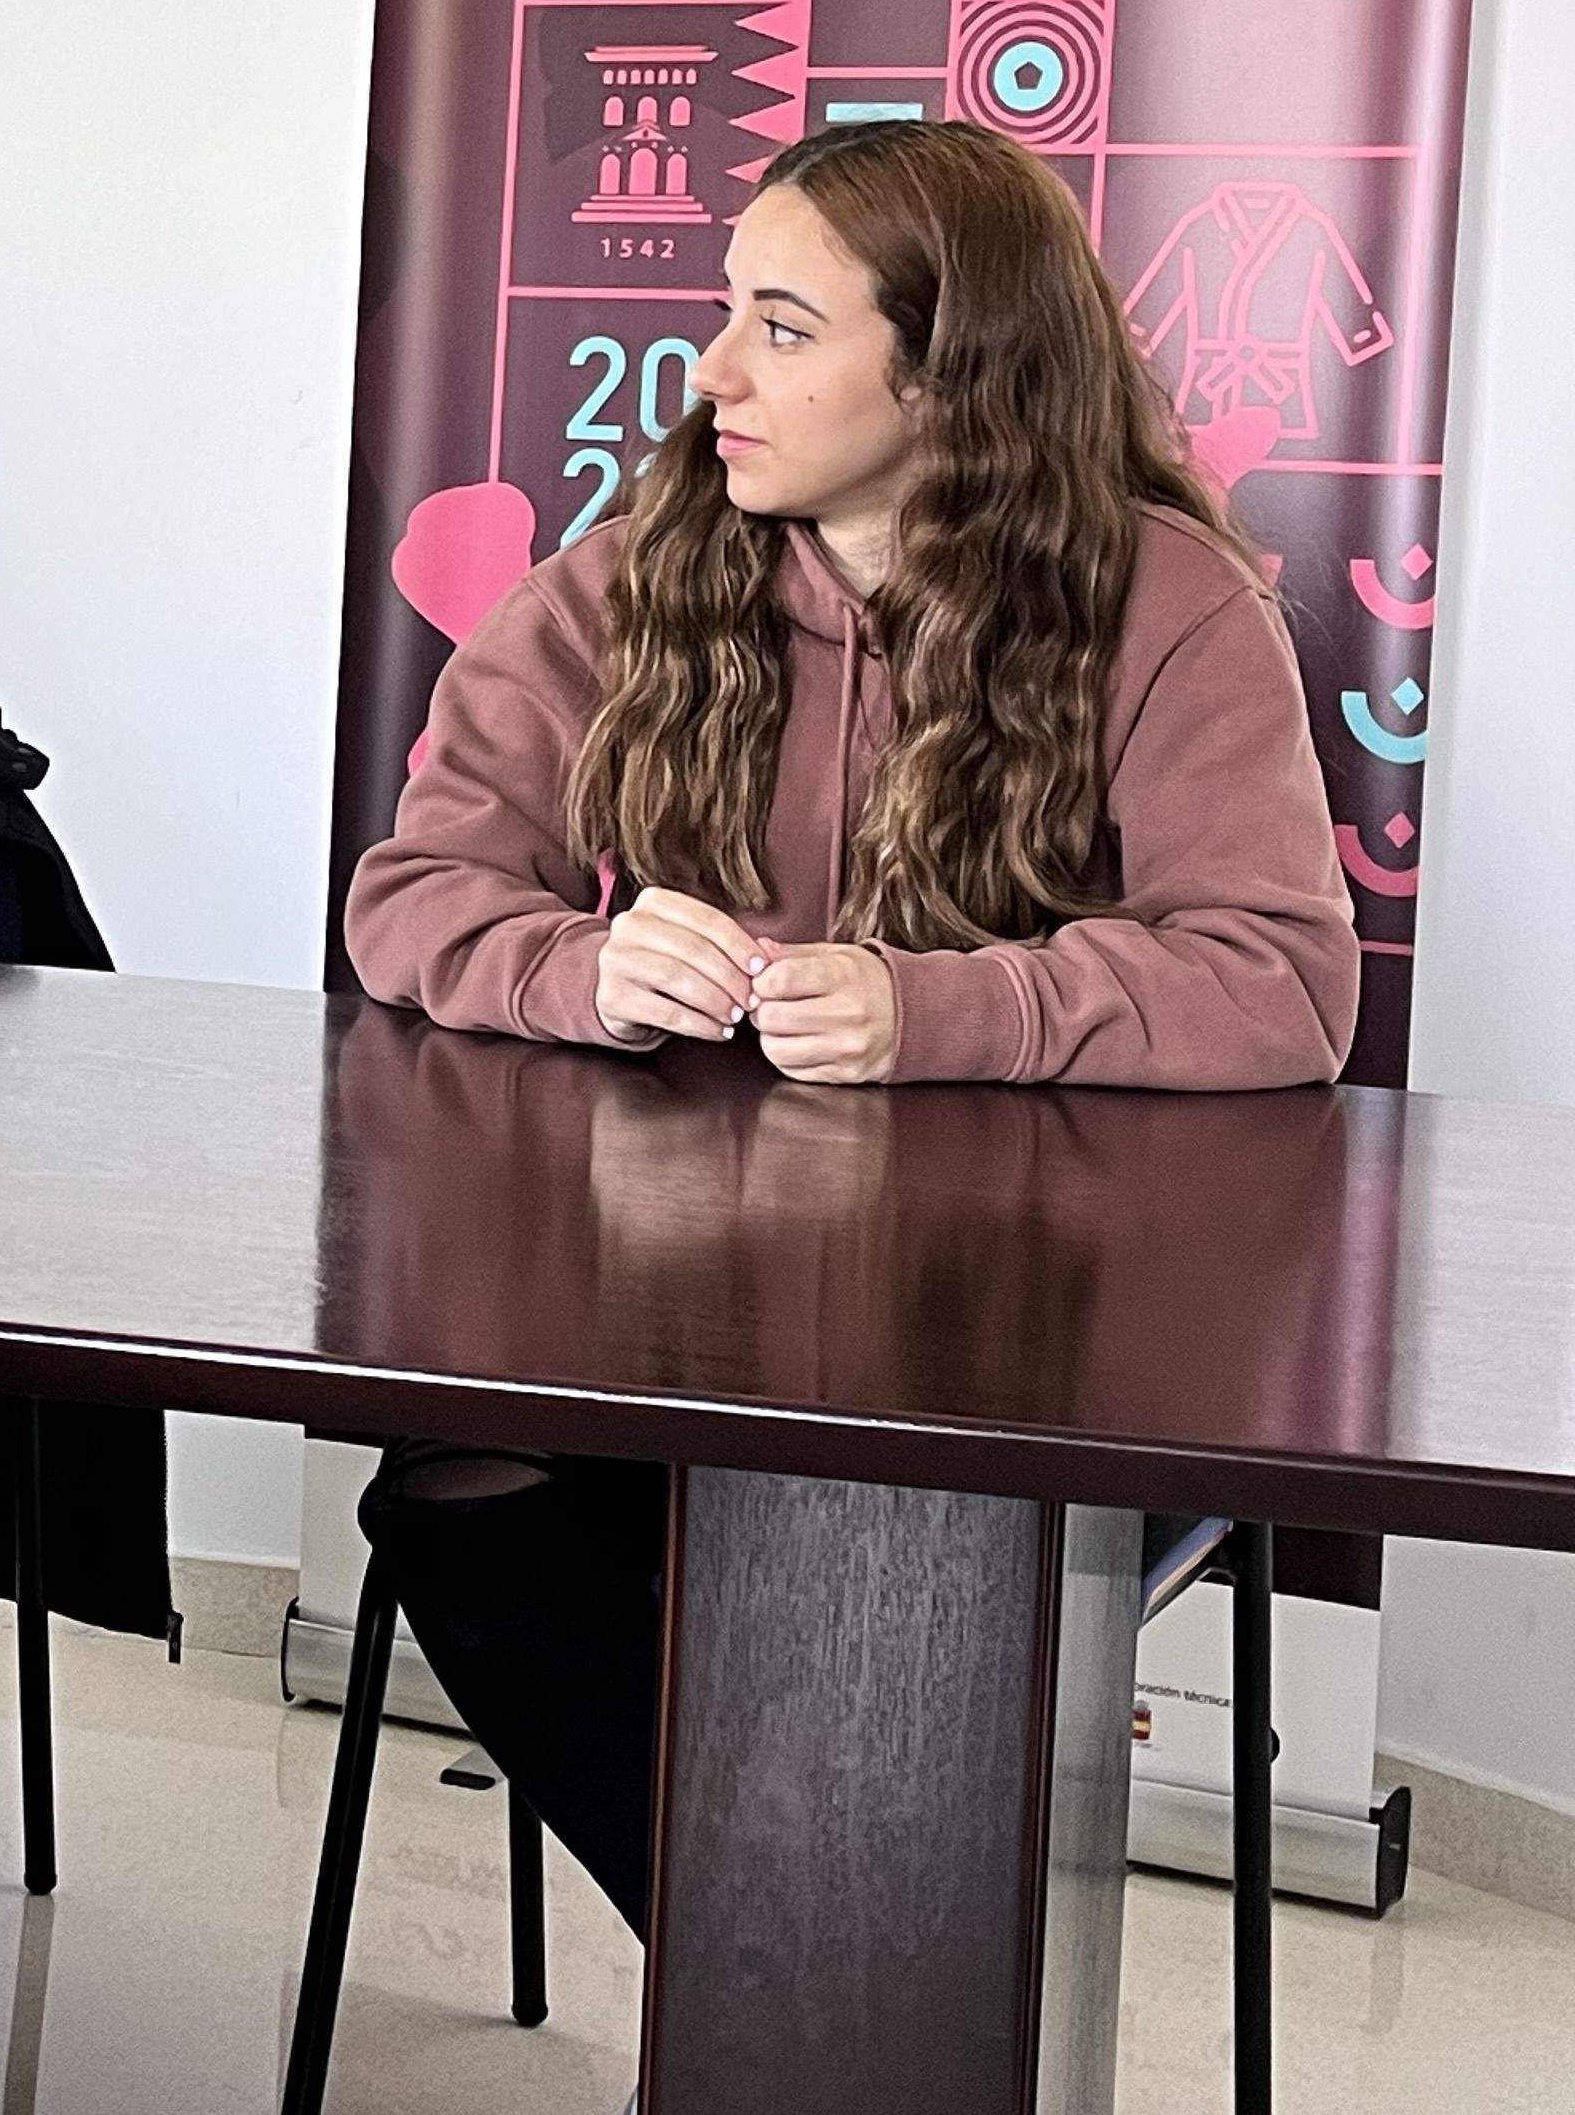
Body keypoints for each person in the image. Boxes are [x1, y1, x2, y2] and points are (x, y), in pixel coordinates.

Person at [339, 115, 1358, 1942]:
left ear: (952, 369)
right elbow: (411, 896)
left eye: (783, 326)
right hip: (682, 1323)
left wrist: (945, 1005)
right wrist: (576, 966)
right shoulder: (626, 577)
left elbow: (1281, 977)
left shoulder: (1170, 602)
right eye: (727, 309)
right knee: (463, 1495)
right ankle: (785, 1996)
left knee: (888, 1584)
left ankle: (787, 2014)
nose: (712, 372)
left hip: (1044, 1348)